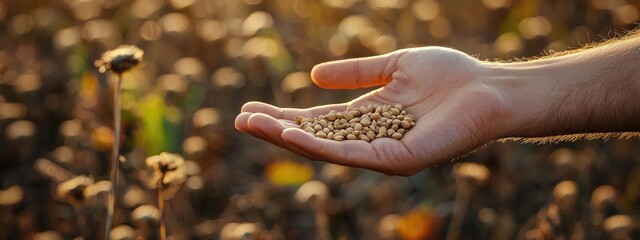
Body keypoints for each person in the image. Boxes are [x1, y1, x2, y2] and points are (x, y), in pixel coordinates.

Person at [235, 33, 640, 176]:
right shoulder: (385, 117)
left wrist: (494, 88)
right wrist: (493, 87)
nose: (360, 123)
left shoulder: (386, 117)